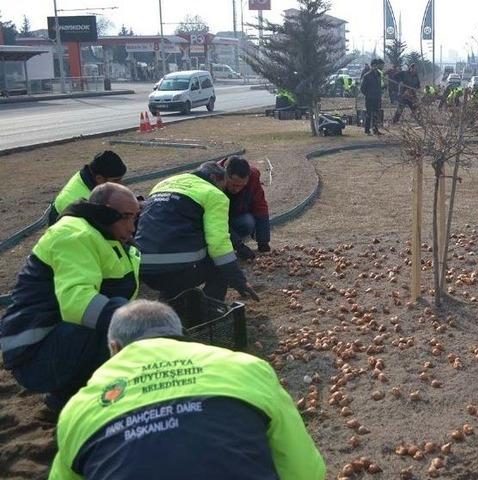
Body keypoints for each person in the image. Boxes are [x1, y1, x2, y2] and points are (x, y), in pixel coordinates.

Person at [49, 300, 325, 480]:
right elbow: (306, 471)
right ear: (179, 332)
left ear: (114, 348)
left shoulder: (77, 409)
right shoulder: (247, 367)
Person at [1, 183, 141, 413]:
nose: (132, 227)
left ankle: (68, 395)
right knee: (113, 323)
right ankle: (70, 400)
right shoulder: (74, 234)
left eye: (135, 218)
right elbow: (78, 304)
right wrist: (140, 323)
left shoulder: (107, 236)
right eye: (126, 218)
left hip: (56, 341)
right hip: (32, 352)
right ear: (105, 212)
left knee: (117, 320)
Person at [135, 162, 258, 302]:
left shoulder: (164, 184)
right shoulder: (213, 194)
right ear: (214, 178)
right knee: (219, 264)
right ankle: (210, 310)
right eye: (223, 186)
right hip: (177, 270)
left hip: (144, 268)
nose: (223, 190)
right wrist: (238, 280)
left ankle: (169, 302)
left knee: (179, 246)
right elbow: (219, 244)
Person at [49, 150, 127, 225]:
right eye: (116, 180)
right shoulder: (82, 201)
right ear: (99, 178)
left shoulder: (88, 175)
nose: (120, 184)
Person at [216, 156, 271, 260]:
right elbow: (216, 221)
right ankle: (229, 244)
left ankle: (233, 242)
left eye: (242, 186)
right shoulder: (214, 180)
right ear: (225, 175)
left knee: (248, 222)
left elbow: (260, 206)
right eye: (234, 185)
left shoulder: (253, 177)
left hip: (235, 215)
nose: (237, 189)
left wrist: (263, 240)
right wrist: (238, 245)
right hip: (213, 219)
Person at [360, 59, 385, 136]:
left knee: (376, 114)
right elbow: (362, 88)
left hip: (377, 98)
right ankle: (367, 130)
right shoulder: (367, 76)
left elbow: (380, 86)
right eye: (375, 65)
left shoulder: (378, 74)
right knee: (369, 114)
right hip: (370, 98)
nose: (377, 67)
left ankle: (375, 130)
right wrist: (368, 94)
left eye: (377, 65)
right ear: (372, 65)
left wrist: (381, 92)